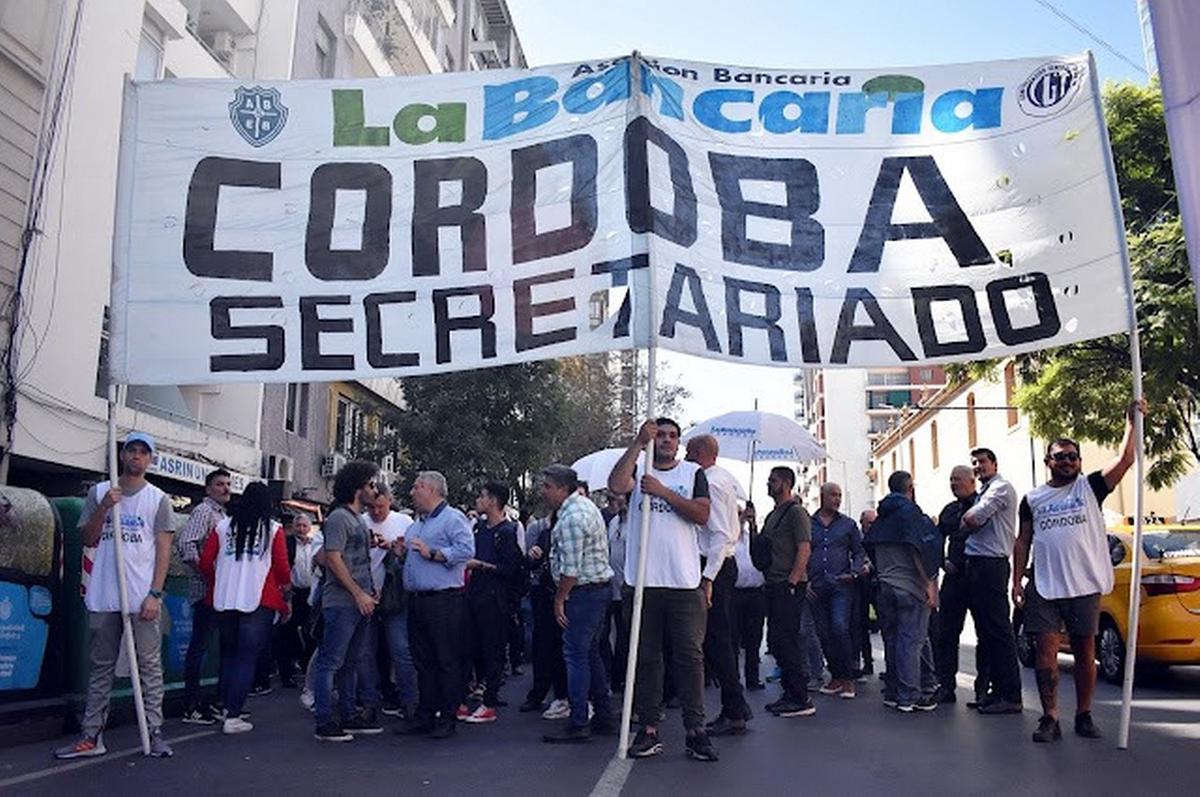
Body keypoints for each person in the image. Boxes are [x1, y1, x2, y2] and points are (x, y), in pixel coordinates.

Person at [1013, 399, 1145, 743]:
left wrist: (1132, 422)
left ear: (1079, 462)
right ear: (1048, 463)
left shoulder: (1091, 487)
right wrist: (1015, 581)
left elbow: (1125, 460)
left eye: (1073, 456)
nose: (1068, 461)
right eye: (1061, 456)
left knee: (1087, 650)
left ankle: (1084, 714)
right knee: (1046, 650)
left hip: (1084, 583)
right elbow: (1023, 540)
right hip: (1044, 583)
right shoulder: (1032, 499)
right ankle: (1049, 718)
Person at [56, 433, 175, 759]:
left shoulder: (158, 499)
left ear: (150, 460)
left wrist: (155, 593)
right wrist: (105, 508)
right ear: (122, 456)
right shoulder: (100, 493)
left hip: (141, 597)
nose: (136, 457)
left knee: (149, 666)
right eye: (131, 451)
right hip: (106, 594)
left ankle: (154, 732)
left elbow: (163, 551)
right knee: (100, 667)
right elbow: (89, 538)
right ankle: (91, 736)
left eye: (143, 452)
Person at [608, 418, 716, 762]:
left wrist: (665, 493)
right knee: (646, 660)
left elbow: (701, 514)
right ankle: (649, 728)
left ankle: (695, 730)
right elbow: (615, 484)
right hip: (643, 583)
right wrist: (639, 443)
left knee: (689, 658)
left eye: (672, 436)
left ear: (679, 443)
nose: (666, 441)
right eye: (661, 435)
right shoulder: (638, 471)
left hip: (683, 584)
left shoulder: (691, 474)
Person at [199, 482, 291, 734]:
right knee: (246, 658)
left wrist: (219, 579)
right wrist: (285, 591)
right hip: (258, 599)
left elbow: (206, 562)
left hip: (224, 598)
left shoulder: (223, 526)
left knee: (228, 655)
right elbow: (282, 568)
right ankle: (234, 714)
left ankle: (226, 706)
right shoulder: (273, 530)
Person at [540, 464, 616, 743]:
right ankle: (604, 715)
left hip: (582, 593)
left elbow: (570, 569)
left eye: (547, 486)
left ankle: (579, 720)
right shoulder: (584, 507)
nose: (543, 491)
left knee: (575, 655)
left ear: (562, 488)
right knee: (590, 653)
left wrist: (560, 599)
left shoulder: (572, 518)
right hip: (595, 590)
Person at [396, 471, 475, 740]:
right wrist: (401, 553)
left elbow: (466, 550)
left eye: (416, 487)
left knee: (446, 660)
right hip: (418, 600)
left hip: (443, 600)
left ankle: (448, 716)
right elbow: (413, 554)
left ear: (431, 489)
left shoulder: (452, 518)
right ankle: (426, 714)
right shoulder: (418, 523)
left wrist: (435, 554)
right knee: (423, 661)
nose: (412, 492)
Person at [685, 435, 753, 736]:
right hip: (722, 566)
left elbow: (719, 535)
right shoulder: (723, 478)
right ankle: (736, 704)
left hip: (715, 566)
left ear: (700, 454)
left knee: (717, 640)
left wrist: (708, 578)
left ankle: (734, 708)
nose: (685, 457)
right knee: (721, 638)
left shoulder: (710, 483)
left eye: (688, 451)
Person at [311, 460, 382, 742]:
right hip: (342, 602)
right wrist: (358, 592)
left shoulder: (356, 519)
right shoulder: (340, 518)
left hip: (358, 601)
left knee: (350, 662)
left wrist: (369, 591)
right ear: (358, 487)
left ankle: (348, 714)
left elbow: (354, 560)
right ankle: (325, 720)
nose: (374, 490)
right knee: (331, 662)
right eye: (370, 485)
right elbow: (333, 558)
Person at [866, 471, 940, 713]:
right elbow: (916, 548)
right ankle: (909, 695)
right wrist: (927, 583)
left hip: (885, 585)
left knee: (894, 640)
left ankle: (896, 691)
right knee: (911, 640)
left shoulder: (882, 516)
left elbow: (868, 545)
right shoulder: (910, 514)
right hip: (909, 586)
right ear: (910, 488)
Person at [961, 448, 1023, 715]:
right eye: (974, 463)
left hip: (991, 564)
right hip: (978, 565)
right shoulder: (986, 491)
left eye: (983, 462)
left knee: (998, 631)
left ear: (995, 464)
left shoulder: (1000, 489)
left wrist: (967, 522)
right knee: (986, 632)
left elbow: (973, 518)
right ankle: (996, 691)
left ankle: (1010, 695)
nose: (978, 467)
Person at [758, 466, 817, 721]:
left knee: (788, 640)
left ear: (786, 483)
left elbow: (804, 548)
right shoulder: (772, 515)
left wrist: (793, 581)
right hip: (773, 583)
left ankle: (800, 697)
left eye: (773, 481)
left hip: (788, 584)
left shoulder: (796, 513)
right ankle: (790, 693)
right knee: (777, 641)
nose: (769, 484)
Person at [461, 480, 522, 724]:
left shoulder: (507, 532)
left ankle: (490, 701)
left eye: (483, 495)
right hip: (475, 595)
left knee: (493, 649)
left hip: (495, 599)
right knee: (471, 648)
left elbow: (511, 569)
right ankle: (471, 694)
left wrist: (482, 566)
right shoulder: (479, 529)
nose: (478, 499)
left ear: (494, 501)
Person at [177, 468, 231, 724]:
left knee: (217, 648)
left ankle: (212, 702)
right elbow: (187, 544)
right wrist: (207, 573)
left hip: (221, 591)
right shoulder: (203, 512)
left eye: (228, 484)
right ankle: (191, 705)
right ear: (208, 489)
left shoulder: (223, 515)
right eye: (220, 484)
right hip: (206, 591)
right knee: (199, 648)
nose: (226, 488)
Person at [808, 482, 868, 699]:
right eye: (833, 495)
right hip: (816, 585)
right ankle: (836, 676)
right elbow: (803, 550)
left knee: (840, 628)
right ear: (822, 496)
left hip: (841, 585)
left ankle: (848, 678)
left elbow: (859, 551)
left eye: (839, 495)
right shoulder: (809, 523)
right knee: (823, 632)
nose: (837, 499)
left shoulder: (848, 525)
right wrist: (804, 580)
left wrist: (853, 571)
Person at [363, 484, 416, 719]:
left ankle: (409, 700)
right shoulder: (360, 522)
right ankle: (369, 700)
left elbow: (412, 556)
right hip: (367, 594)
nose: (376, 512)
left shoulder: (404, 522)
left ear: (390, 502)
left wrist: (396, 549)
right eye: (372, 507)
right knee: (365, 651)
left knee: (400, 649)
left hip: (395, 596)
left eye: (381, 507)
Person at [932, 466, 978, 705]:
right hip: (954, 578)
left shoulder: (982, 504)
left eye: (957, 480)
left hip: (979, 576)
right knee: (946, 633)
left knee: (985, 633)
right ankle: (946, 685)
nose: (953, 484)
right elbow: (936, 539)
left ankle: (983, 687)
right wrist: (942, 563)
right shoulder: (949, 510)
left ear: (972, 481)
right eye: (951, 480)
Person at [520, 511, 569, 717]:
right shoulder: (545, 534)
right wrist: (533, 555)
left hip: (563, 594)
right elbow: (533, 563)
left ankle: (563, 695)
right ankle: (539, 693)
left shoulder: (569, 534)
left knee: (561, 649)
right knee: (542, 647)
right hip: (544, 594)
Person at [278, 513, 318, 692]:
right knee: (288, 632)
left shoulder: (315, 544)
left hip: (310, 593)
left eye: (304, 526)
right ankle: (287, 673)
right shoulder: (288, 543)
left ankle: (308, 669)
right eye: (298, 525)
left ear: (309, 528)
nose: (301, 529)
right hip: (293, 593)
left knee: (312, 632)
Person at [731, 503, 766, 691]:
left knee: (754, 638)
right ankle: (734, 680)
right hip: (735, 593)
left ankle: (753, 678)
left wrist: (752, 526)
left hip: (755, 592)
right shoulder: (730, 538)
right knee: (733, 638)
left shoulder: (753, 537)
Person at [601, 493, 630, 691]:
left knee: (625, 637)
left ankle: (624, 679)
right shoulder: (613, 523)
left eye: (619, 499)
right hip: (611, 588)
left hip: (628, 588)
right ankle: (613, 676)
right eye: (612, 500)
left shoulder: (636, 525)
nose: (615, 504)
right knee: (606, 635)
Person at [851, 508, 878, 679]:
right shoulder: (857, 538)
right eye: (869, 523)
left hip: (876, 584)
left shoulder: (879, 537)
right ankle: (863, 662)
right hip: (860, 584)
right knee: (859, 625)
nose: (871, 526)